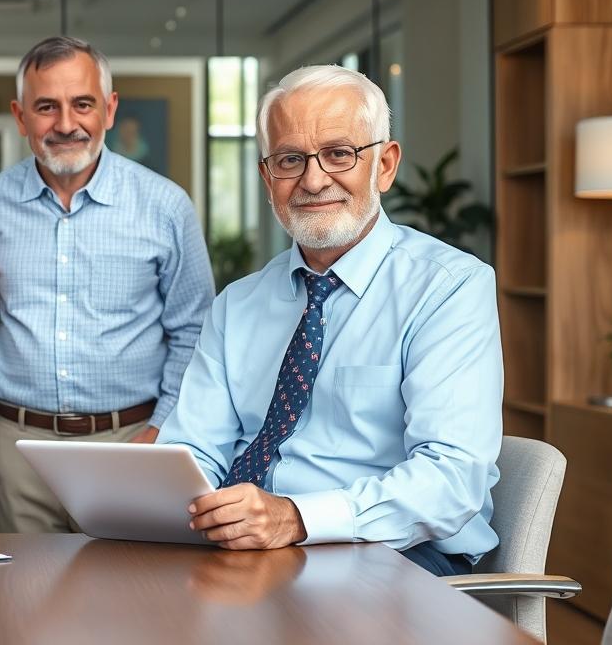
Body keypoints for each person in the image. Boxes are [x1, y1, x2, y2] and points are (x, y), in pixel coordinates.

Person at [157, 65, 502, 576]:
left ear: (384, 165)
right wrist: (181, 500)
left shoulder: (448, 287)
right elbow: (193, 450)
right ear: (267, 176)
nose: (313, 180)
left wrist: (297, 518)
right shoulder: (237, 304)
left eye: (339, 154)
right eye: (290, 160)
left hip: (396, 553)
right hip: (249, 553)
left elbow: (450, 480)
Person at [0, 36, 214, 533]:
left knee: (126, 597)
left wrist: (160, 429)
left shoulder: (166, 207)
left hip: (130, 441)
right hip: (19, 450)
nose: (65, 124)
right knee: (23, 599)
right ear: (21, 117)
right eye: (47, 107)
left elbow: (194, 330)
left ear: (109, 109)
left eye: (82, 104)